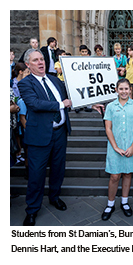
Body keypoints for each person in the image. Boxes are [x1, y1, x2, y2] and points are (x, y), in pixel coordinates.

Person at [18, 48, 72, 226]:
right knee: (36, 174)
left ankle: (55, 197)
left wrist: (87, 103)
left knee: (58, 169)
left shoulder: (56, 81)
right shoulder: (25, 83)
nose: (41, 62)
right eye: (35, 60)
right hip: (39, 136)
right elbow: (34, 104)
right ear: (28, 64)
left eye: (42, 59)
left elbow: (68, 102)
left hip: (60, 133)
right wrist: (60, 104)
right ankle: (32, 209)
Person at [101, 78, 133, 221]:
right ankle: (110, 204)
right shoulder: (111, 106)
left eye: (126, 89)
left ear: (130, 90)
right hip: (115, 146)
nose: (124, 91)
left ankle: (124, 202)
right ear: (116, 90)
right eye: (121, 89)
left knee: (127, 174)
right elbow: (108, 128)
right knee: (114, 176)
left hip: (131, 146)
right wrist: (115, 147)